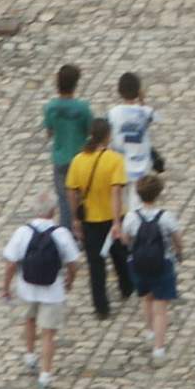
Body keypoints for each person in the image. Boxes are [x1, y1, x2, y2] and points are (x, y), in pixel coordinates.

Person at [2, 192, 79, 389]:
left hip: (27, 288)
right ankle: (45, 376)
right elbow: (73, 262)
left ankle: (30, 356)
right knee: (48, 334)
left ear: (34, 210)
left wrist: (6, 287)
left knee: (29, 320)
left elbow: (11, 264)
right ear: (53, 210)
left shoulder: (23, 232)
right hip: (53, 291)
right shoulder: (61, 233)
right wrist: (70, 280)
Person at [66, 118, 133, 318]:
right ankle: (127, 288)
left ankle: (101, 308)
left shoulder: (78, 160)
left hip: (90, 220)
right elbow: (116, 192)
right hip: (112, 217)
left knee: (96, 265)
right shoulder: (115, 160)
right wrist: (117, 222)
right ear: (108, 135)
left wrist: (75, 219)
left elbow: (72, 191)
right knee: (120, 257)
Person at [121, 175, 184, 365]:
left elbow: (125, 240)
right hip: (162, 264)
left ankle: (149, 331)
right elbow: (178, 239)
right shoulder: (166, 217)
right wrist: (179, 253)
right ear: (158, 193)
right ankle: (159, 349)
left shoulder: (131, 217)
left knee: (146, 297)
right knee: (161, 308)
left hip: (138, 264)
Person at [43, 65, 93, 230]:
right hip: (80, 158)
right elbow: (90, 131)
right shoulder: (83, 108)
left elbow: (50, 132)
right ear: (76, 84)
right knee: (82, 199)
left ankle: (66, 233)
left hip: (60, 159)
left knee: (64, 201)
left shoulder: (50, 107)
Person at [108, 72, 159, 212]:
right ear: (138, 91)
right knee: (137, 208)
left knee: (123, 204)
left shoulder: (113, 113)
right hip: (141, 165)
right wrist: (142, 101)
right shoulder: (145, 112)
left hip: (121, 164)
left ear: (119, 91)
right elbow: (152, 118)